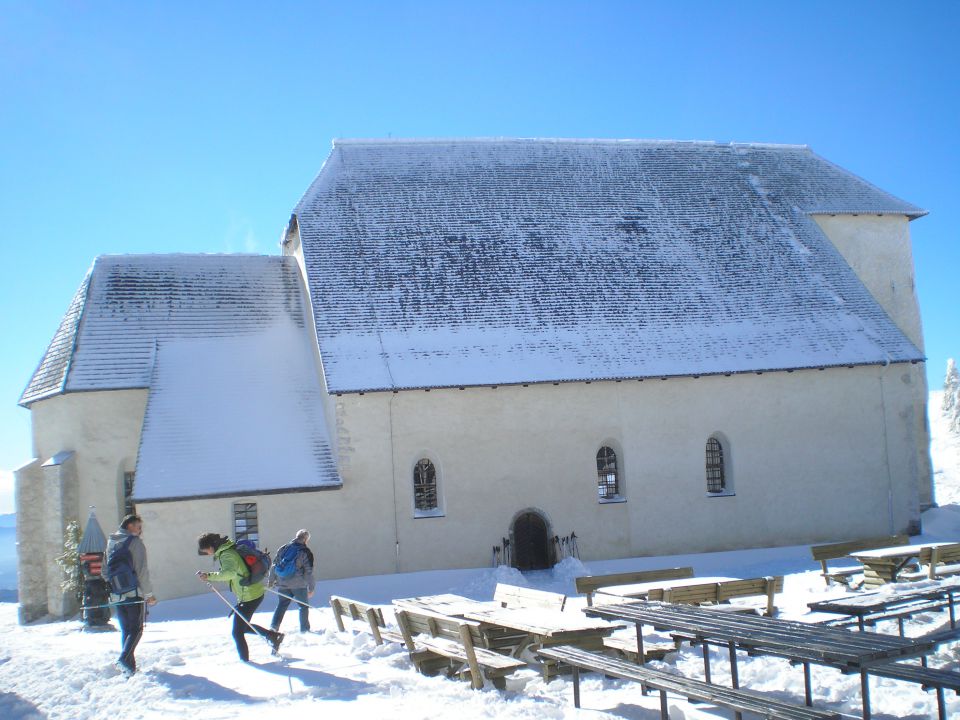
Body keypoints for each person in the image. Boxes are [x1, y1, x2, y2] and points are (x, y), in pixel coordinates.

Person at [196, 533, 284, 661]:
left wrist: (209, 576)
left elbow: (229, 573)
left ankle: (246, 662)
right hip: (251, 593)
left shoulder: (226, 554)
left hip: (249, 596)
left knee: (237, 633)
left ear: (211, 546)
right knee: (243, 626)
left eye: (207, 550)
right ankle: (272, 636)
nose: (208, 553)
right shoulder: (229, 549)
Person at [105, 514, 157, 675]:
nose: (140, 531)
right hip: (134, 593)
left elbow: (104, 571)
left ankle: (129, 668)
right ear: (130, 526)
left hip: (117, 594)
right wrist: (148, 594)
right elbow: (142, 571)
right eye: (138, 527)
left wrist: (116, 586)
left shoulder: (111, 542)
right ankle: (124, 658)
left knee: (126, 629)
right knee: (137, 629)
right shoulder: (135, 543)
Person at [268, 529, 315, 633]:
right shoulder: (306, 551)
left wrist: (271, 581)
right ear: (306, 539)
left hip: (283, 583)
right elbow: (308, 572)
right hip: (299, 585)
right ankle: (304, 630)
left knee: (281, 605)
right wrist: (311, 588)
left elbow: (274, 565)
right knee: (303, 606)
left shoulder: (283, 548)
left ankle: (273, 627)